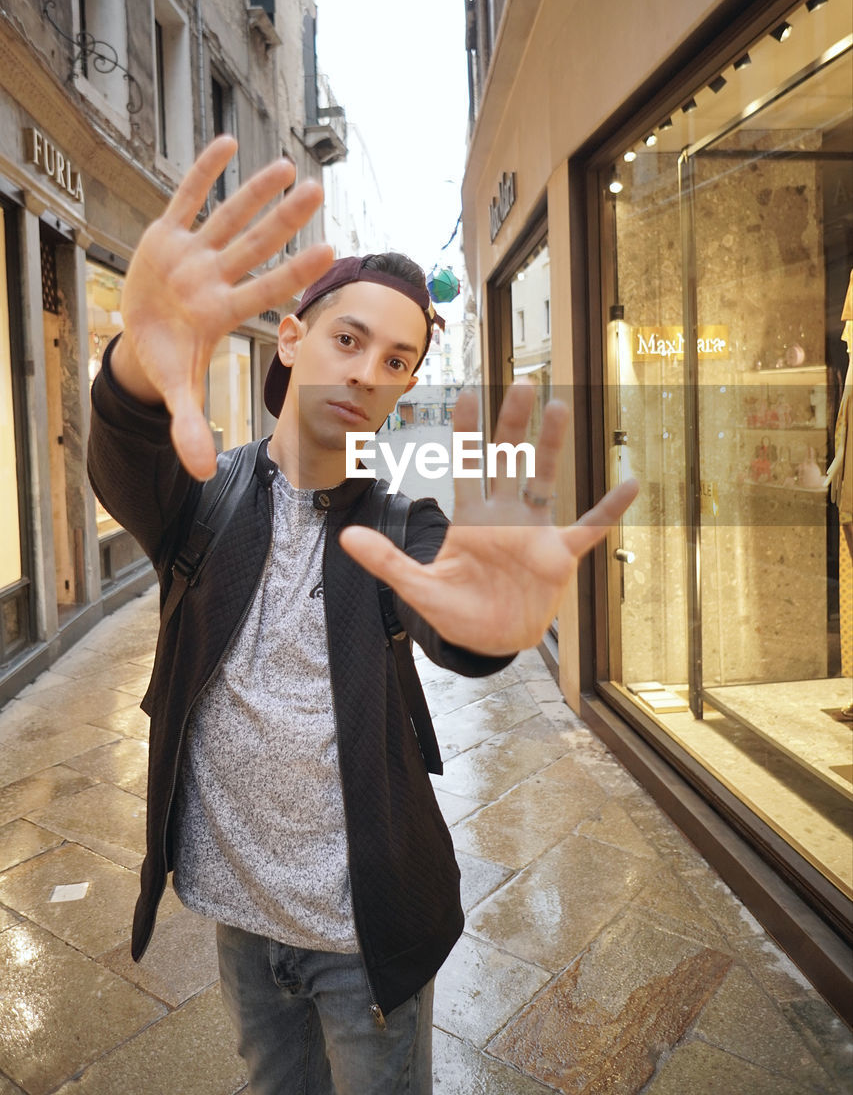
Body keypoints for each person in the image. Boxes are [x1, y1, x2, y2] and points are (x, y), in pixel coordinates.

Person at [86, 136, 638, 1095]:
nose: (369, 374)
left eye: (397, 360)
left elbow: (448, 616)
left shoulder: (401, 522)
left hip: (366, 924)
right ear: (292, 338)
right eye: (349, 340)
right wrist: (138, 358)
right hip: (240, 912)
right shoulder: (204, 495)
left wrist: (487, 630)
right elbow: (127, 448)